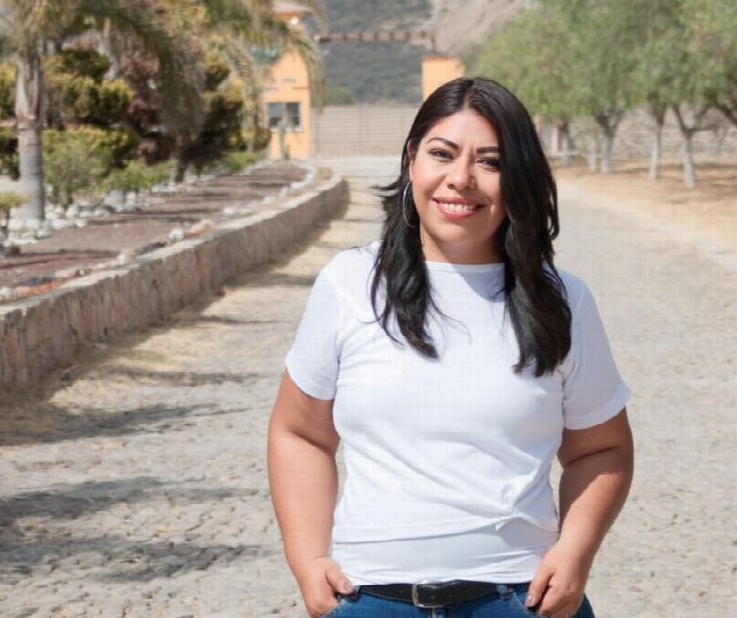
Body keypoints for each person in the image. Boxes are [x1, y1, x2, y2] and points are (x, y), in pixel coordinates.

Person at [268, 77, 633, 618]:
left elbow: (601, 450)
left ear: (519, 178)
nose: (461, 179)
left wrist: (574, 553)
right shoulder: (349, 284)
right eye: (442, 154)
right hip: (368, 599)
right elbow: (300, 432)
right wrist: (307, 559)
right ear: (411, 160)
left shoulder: (562, 300)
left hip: (523, 600)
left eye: (491, 162)